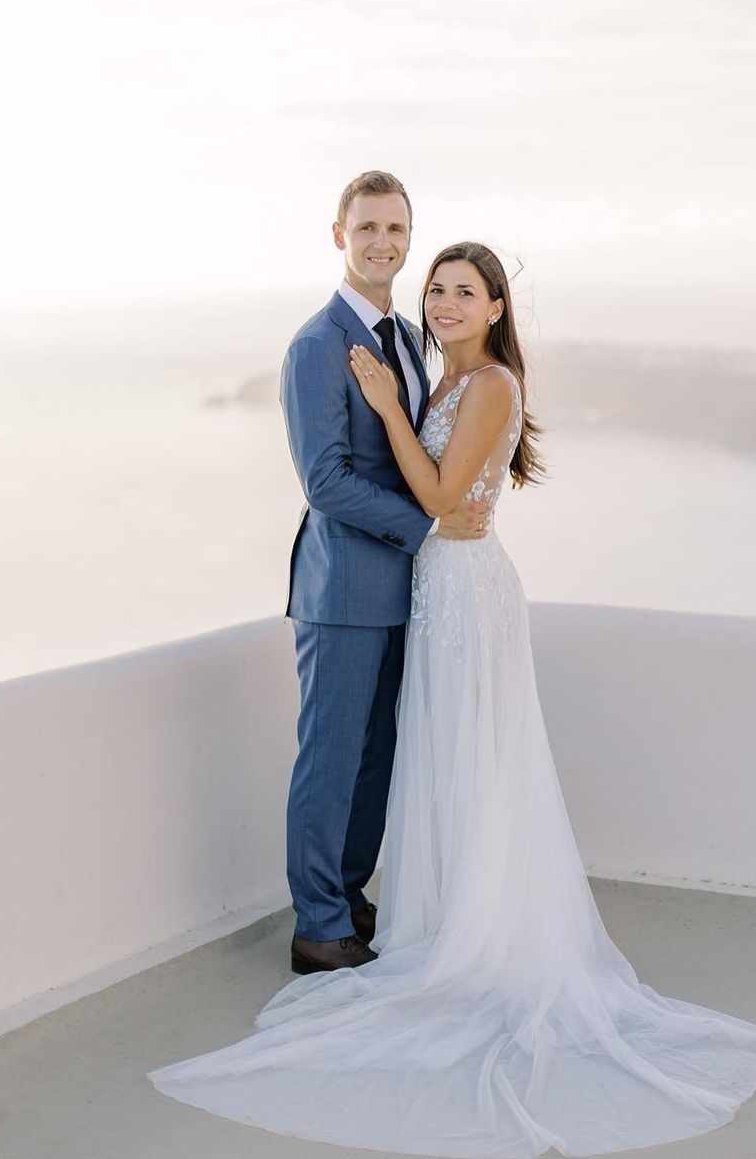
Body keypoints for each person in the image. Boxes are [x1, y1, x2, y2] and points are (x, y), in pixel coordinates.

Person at [149, 242, 756, 1156]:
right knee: (437, 754)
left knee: (473, 759)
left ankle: (478, 931)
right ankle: (436, 914)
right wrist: (402, 422)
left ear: (496, 308)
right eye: (437, 290)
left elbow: (445, 493)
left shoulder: (486, 384)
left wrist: (388, 410)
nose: (445, 303)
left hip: (465, 593)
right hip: (431, 589)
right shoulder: (433, 373)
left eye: (465, 292)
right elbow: (392, 488)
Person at [273, 170, 488, 977]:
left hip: (403, 588)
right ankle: (317, 926)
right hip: (341, 590)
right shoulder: (316, 346)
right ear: (340, 236)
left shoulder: (403, 335)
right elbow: (325, 482)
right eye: (366, 228)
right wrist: (429, 524)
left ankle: (349, 896)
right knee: (330, 758)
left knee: (375, 758)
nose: (381, 243)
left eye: (395, 229)